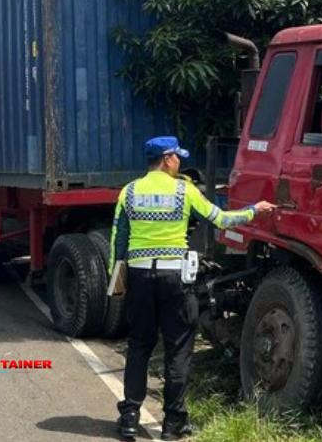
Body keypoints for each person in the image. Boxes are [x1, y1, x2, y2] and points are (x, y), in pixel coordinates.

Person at [110, 136, 276, 440]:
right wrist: (255, 211)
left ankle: (130, 418)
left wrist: (116, 284)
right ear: (167, 158)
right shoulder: (184, 190)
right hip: (175, 279)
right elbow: (221, 219)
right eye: (177, 158)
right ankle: (173, 423)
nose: (180, 163)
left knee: (139, 345)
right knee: (178, 348)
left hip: (139, 277)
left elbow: (118, 242)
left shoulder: (129, 192)